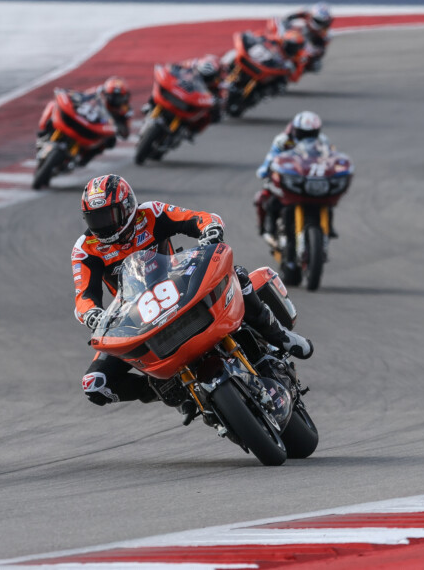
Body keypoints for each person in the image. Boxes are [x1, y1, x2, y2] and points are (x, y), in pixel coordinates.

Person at [74, 174, 314, 407]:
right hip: (138, 314)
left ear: (127, 208)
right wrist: (92, 313)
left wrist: (210, 229)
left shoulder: (150, 213)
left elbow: (198, 218)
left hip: (179, 284)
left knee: (237, 274)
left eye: (107, 216)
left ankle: (279, 336)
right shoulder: (85, 249)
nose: (102, 227)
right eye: (95, 219)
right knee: (95, 384)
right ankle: (167, 389)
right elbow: (84, 296)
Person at [254, 111, 334, 247]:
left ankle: (328, 228)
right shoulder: (283, 140)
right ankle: (269, 229)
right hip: (288, 179)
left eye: (311, 133)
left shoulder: (322, 141)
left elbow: (329, 159)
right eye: (304, 133)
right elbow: (271, 156)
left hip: (309, 179)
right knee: (268, 197)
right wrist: (265, 169)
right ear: (295, 130)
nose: (307, 136)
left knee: (327, 199)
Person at [37, 76, 132, 163]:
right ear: (106, 93)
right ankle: (44, 132)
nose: (114, 100)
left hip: (98, 128)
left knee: (110, 141)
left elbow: (126, 131)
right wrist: (71, 96)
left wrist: (118, 127)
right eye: (112, 96)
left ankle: (84, 157)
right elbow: (81, 96)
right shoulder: (96, 93)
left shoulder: (124, 109)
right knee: (53, 105)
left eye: (118, 98)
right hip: (85, 117)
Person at [279, 2, 332, 71]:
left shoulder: (325, 33)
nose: (320, 25)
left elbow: (320, 50)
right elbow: (287, 18)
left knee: (314, 64)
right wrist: (286, 25)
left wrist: (311, 53)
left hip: (305, 47)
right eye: (318, 21)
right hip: (293, 34)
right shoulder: (305, 13)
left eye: (322, 23)